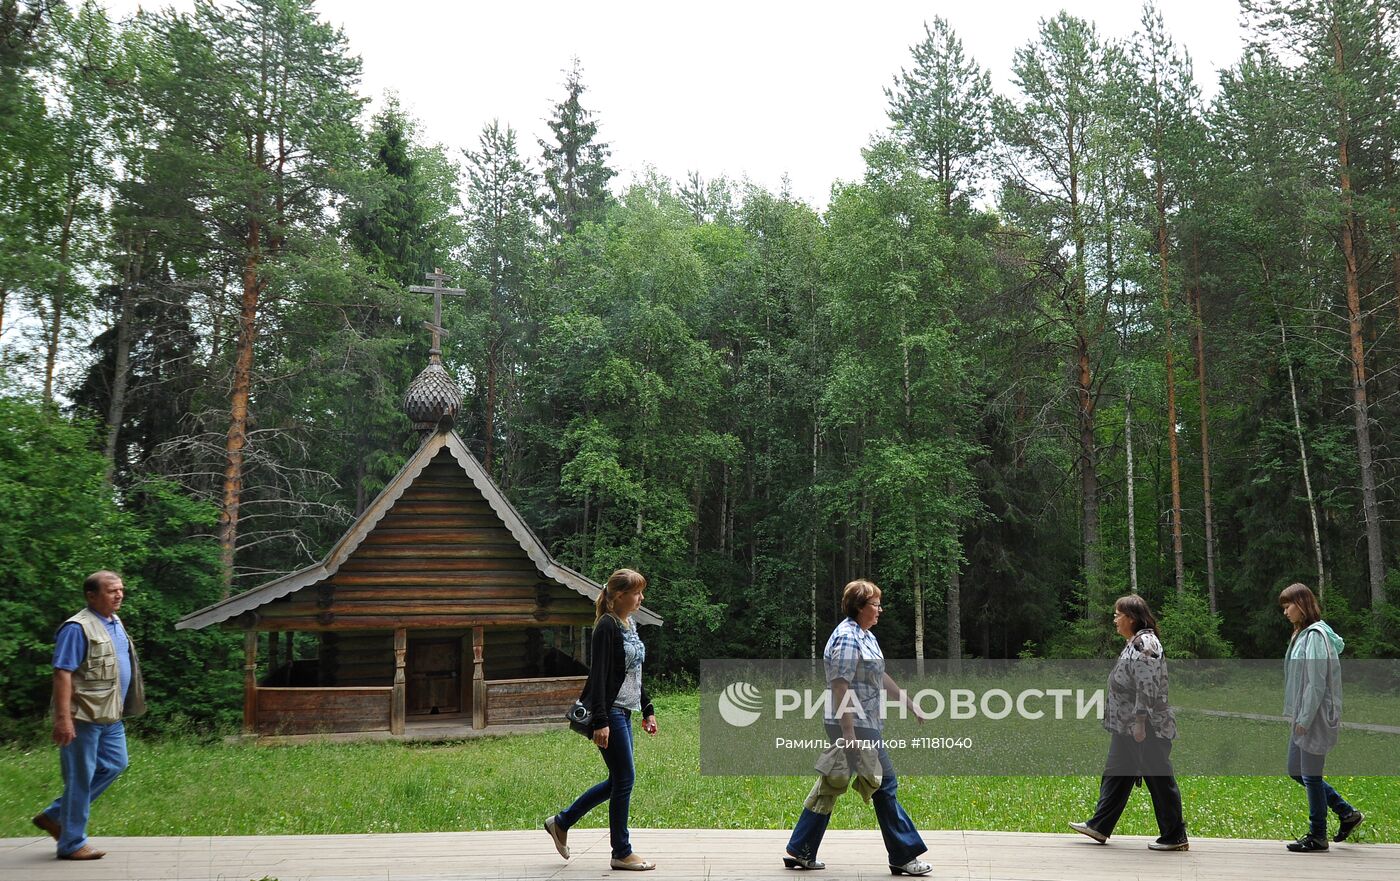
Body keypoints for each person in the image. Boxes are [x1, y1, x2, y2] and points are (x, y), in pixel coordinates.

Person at [783, 579, 933, 876]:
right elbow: (841, 686)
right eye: (876, 604)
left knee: (832, 781)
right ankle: (903, 855)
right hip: (854, 725)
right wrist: (848, 733)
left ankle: (800, 849)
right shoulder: (848, 638)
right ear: (860, 607)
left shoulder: (865, 635)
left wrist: (909, 702)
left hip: (864, 723)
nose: (880, 609)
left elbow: (879, 675)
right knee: (885, 784)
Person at [545, 568, 659, 871]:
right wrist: (600, 721)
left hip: (624, 710)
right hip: (609, 713)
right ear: (619, 596)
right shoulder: (606, 627)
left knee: (619, 780)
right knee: (625, 780)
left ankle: (562, 822)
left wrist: (647, 707)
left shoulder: (628, 623)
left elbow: (632, 673)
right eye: (636, 593)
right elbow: (598, 676)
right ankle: (621, 852)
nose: (641, 598)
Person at [32, 570, 146, 861]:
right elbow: (62, 673)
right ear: (91, 595)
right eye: (111, 591)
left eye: (121, 589)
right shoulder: (77, 628)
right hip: (82, 716)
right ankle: (71, 844)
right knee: (80, 779)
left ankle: (55, 815)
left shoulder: (114, 622)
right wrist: (63, 718)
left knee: (115, 765)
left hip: (110, 716)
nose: (119, 595)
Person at [1069, 594, 1188, 851]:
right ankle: (1099, 826)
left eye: (1117, 615)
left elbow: (1147, 685)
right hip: (1125, 727)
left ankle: (1175, 835)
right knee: (1115, 773)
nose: (1115, 620)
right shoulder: (1133, 641)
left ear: (1131, 618)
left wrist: (1140, 722)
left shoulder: (1145, 643)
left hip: (1146, 728)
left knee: (1159, 778)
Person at [1278, 582, 1364, 852]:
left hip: (1313, 717)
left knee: (1311, 775)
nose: (1285, 612)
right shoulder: (1302, 634)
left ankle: (1317, 835)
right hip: (1304, 716)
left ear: (1302, 605)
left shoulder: (1315, 636)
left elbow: (1316, 684)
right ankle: (1347, 813)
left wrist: (1303, 719)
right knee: (1296, 770)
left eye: (1288, 605)